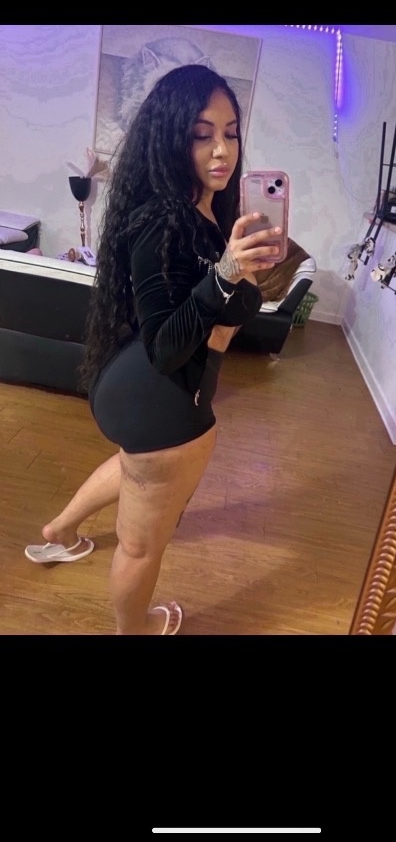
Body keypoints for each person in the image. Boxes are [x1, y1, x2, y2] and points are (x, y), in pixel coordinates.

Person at [24, 64, 282, 635]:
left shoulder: (206, 213)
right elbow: (168, 347)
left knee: (133, 467)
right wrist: (226, 274)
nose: (222, 150)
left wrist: (246, 273)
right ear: (170, 138)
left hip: (139, 393)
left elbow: (214, 306)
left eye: (231, 132)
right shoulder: (163, 220)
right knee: (141, 547)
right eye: (202, 135)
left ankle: (60, 531)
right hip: (161, 396)